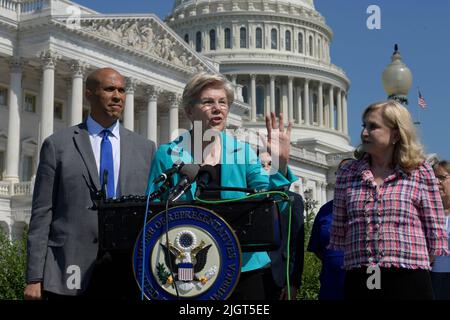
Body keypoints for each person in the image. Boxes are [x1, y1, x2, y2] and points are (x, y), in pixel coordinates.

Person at [147, 72, 297, 300]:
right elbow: (152, 213)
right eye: (208, 102)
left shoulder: (243, 153)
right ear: (189, 110)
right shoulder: (168, 155)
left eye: (222, 102)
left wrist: (280, 164)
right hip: (188, 268)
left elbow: (274, 205)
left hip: (245, 267)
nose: (217, 108)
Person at [24, 68, 155, 299]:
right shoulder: (58, 145)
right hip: (69, 267)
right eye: (109, 89)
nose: (117, 96)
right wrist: (35, 277)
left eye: (122, 90)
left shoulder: (145, 148)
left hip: (126, 268)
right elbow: (42, 212)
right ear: (89, 94)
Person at [329, 100, 448, 300]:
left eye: (373, 126)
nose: (364, 133)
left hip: (409, 276)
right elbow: (340, 227)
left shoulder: (420, 171)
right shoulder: (348, 173)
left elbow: (434, 229)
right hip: (363, 273)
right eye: (363, 126)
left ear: (395, 134)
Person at [259, 151, 305, 300]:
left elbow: (296, 245)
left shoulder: (293, 200)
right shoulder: (249, 199)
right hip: (253, 273)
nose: (266, 168)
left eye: (270, 164)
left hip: (279, 275)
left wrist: (293, 282)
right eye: (262, 165)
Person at [307, 158, 353, 300]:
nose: (345, 177)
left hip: (363, 284)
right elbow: (317, 248)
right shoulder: (325, 210)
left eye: (350, 173)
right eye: (341, 173)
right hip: (331, 285)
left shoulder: (370, 206)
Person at [430, 160, 450, 299]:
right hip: (433, 277)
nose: (437, 182)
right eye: (434, 178)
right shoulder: (427, 212)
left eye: (441, 178)